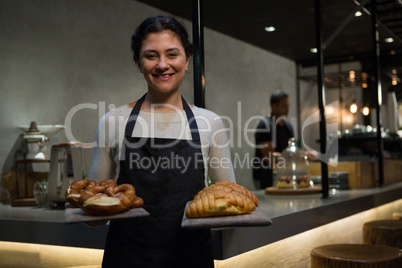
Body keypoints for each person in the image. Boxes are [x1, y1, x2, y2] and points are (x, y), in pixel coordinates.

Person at [89, 16, 235, 267]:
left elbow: (229, 198)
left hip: (192, 258)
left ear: (187, 60)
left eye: (172, 54)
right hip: (128, 258)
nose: (162, 65)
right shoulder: (113, 122)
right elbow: (95, 213)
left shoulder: (209, 123)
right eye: (151, 55)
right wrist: (87, 209)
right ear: (138, 62)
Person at [252, 90, 294, 189]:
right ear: (274, 106)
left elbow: (292, 149)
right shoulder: (265, 125)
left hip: (283, 175)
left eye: (288, 106)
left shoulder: (288, 127)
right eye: (284, 106)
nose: (287, 109)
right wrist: (292, 156)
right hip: (266, 177)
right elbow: (269, 157)